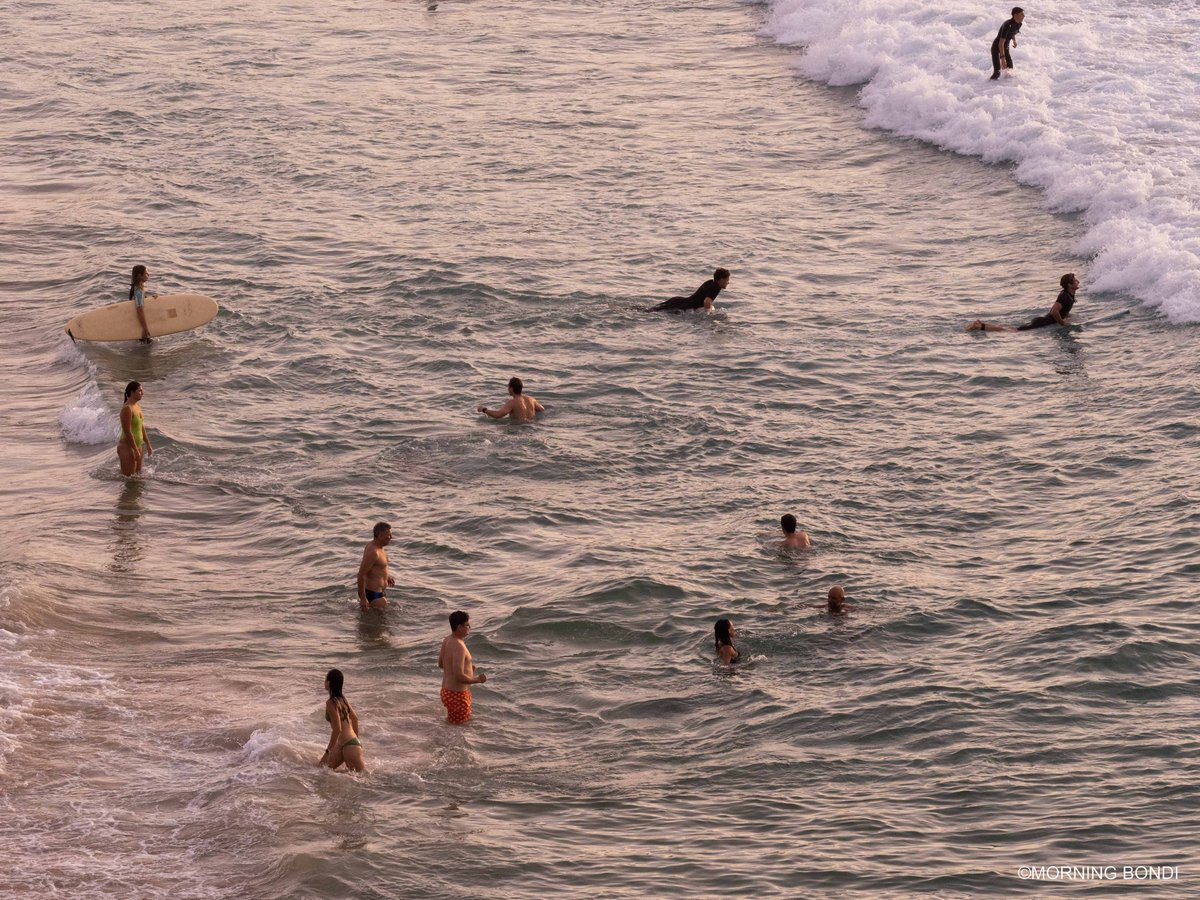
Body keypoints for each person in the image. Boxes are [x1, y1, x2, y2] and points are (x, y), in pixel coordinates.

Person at [966, 273, 1080, 333]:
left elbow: (1059, 311)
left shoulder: (1068, 295)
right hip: (1042, 322)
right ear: (1069, 285)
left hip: (1043, 320)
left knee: (1011, 328)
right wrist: (1063, 323)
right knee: (1013, 331)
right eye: (1075, 281)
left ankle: (981, 324)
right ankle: (980, 326)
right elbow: (1054, 311)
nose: (1077, 282)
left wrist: (1066, 316)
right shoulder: (1065, 295)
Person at [437, 610, 487, 724]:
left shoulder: (447, 640)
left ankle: (443, 740)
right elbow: (458, 676)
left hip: (446, 691)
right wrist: (478, 679)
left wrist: (467, 668)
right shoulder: (459, 646)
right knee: (459, 727)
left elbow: (441, 664)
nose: (469, 627)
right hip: (457, 695)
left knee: (452, 725)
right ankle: (443, 742)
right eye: (467, 625)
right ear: (459, 627)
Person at [319, 668, 365, 772]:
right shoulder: (343, 699)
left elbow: (337, 729)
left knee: (364, 782)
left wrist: (328, 752)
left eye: (325, 679)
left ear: (329, 682)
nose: (324, 682)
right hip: (347, 744)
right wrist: (356, 741)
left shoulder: (331, 703)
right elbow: (355, 719)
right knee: (321, 769)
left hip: (348, 746)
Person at [647, 268, 730, 313]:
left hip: (678, 301)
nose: (728, 282)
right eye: (727, 280)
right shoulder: (716, 287)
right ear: (721, 280)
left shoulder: (710, 282)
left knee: (649, 310)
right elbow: (707, 302)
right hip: (682, 306)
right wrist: (708, 315)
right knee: (650, 312)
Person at [356, 522, 395, 611]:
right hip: (373, 594)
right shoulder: (373, 552)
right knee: (382, 623)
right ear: (380, 536)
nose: (391, 538)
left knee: (375, 623)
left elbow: (375, 567)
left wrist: (386, 576)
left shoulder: (379, 547)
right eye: (389, 535)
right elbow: (361, 574)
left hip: (378, 592)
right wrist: (363, 598)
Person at [117, 381, 152, 476]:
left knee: (137, 478)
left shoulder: (137, 406)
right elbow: (127, 431)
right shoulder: (127, 409)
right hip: (127, 448)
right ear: (132, 392)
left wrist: (148, 444)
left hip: (137, 446)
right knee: (129, 480)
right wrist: (135, 450)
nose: (142, 393)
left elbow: (141, 427)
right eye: (140, 391)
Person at [478, 377, 544, 423]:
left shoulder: (512, 403)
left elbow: (498, 415)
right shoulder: (532, 400)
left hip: (518, 429)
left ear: (511, 388)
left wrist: (484, 409)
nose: (508, 389)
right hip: (531, 427)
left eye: (508, 387)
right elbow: (542, 409)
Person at [989, 8, 1024, 80]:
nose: (1024, 16)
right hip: (997, 47)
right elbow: (1000, 43)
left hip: (1005, 47)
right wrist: (1002, 59)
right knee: (997, 73)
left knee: (1010, 70)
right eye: (1021, 14)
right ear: (1015, 15)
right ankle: (987, 86)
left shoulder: (1019, 24)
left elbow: (1013, 32)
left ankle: (1006, 87)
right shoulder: (1007, 25)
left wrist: (1014, 41)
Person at [129, 264, 157, 343]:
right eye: (146, 273)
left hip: (137, 325)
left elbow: (140, 304)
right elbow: (139, 310)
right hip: (141, 327)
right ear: (140, 275)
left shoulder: (135, 288)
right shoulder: (139, 291)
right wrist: (145, 328)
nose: (148, 274)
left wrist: (151, 300)